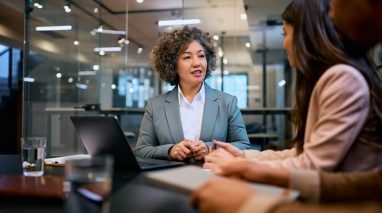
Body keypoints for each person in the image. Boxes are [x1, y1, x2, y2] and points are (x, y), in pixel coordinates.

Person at [191, 0, 382, 212]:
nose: (284, 44)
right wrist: (243, 158)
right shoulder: (331, 78)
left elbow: (310, 164)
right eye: (187, 57)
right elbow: (303, 155)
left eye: (285, 34)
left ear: (305, 35)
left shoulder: (342, 78)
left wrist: (245, 167)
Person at [135, 26, 251, 161]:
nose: (197, 63)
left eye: (201, 56)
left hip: (213, 177)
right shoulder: (155, 105)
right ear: (172, 65)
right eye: (187, 57)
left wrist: (210, 149)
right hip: (171, 178)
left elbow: (244, 146)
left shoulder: (227, 102)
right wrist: (170, 150)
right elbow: (141, 150)